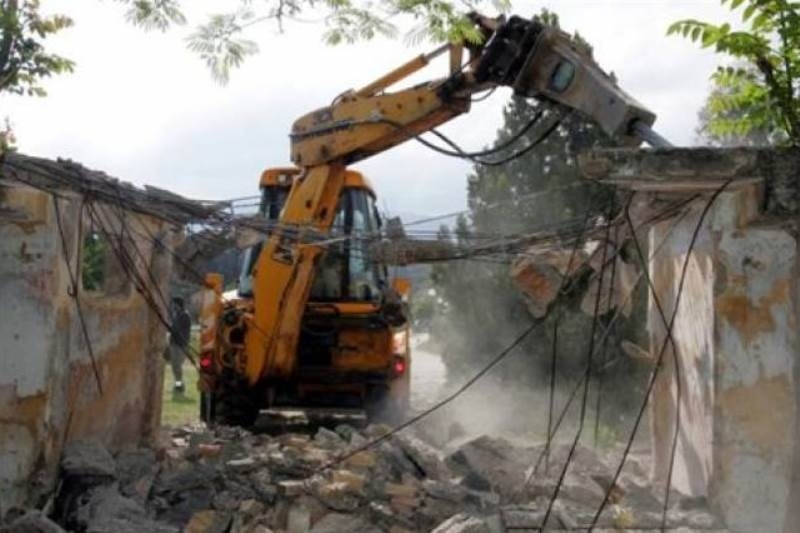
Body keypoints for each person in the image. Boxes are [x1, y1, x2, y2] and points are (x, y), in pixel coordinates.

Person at [168, 297, 192, 394]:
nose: (173, 306)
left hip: (180, 344)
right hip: (174, 343)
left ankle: (179, 385)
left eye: (174, 304)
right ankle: (178, 384)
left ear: (178, 305)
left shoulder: (184, 316)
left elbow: (177, 329)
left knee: (177, 366)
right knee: (175, 366)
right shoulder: (177, 315)